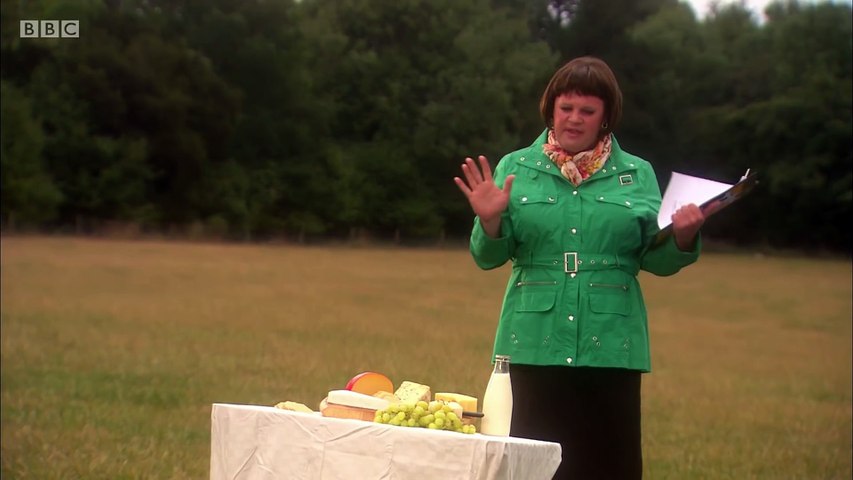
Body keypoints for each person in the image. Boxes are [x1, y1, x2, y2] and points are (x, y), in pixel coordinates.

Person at [453, 56, 705, 479]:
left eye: (587, 110)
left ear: (606, 117)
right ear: (551, 109)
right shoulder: (515, 167)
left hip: (612, 345)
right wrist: (490, 221)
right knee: (529, 467)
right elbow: (487, 257)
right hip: (531, 340)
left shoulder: (638, 173)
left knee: (606, 465)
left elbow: (654, 259)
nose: (574, 118)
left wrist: (683, 236)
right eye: (566, 107)